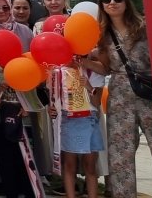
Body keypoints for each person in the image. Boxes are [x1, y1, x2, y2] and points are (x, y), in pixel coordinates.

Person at [88, 0, 152, 198]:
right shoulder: (102, 34)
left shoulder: (144, 27)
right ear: (101, 5)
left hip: (151, 94)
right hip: (120, 96)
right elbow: (105, 68)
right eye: (106, 0)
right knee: (120, 153)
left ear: (126, 1)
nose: (112, 3)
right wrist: (83, 61)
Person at [0, 0, 35, 198]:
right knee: (3, 146)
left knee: (25, 145)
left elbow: (33, 64)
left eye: (5, 7)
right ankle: (10, 190)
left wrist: (29, 97)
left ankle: (28, 188)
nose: (2, 12)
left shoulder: (24, 31)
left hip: (23, 98)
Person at [49, 55, 102, 198]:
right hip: (69, 118)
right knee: (69, 164)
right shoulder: (57, 71)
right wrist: (52, 108)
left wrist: (89, 88)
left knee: (90, 166)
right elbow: (53, 98)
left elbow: (97, 102)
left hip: (89, 118)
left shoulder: (92, 70)